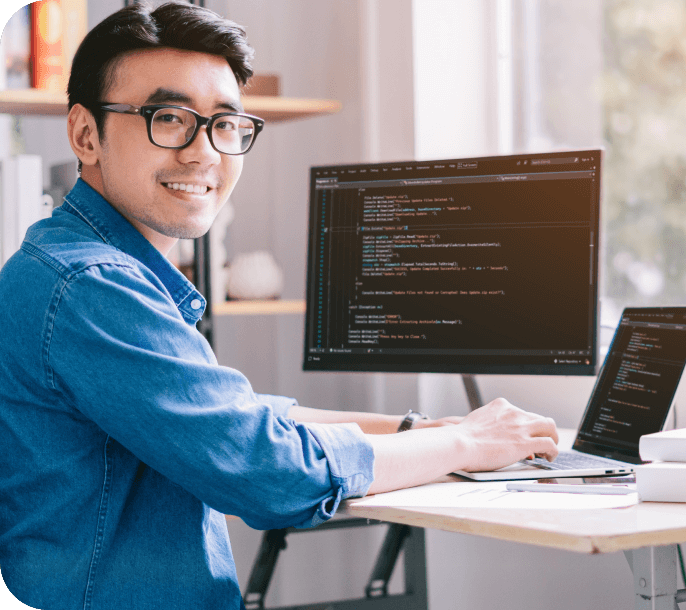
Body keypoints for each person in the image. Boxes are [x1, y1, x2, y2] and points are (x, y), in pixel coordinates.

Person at [0, 2, 558, 609]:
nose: (203, 153)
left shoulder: (76, 263)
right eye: (168, 118)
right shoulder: (93, 285)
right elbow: (266, 468)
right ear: (86, 134)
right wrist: (470, 445)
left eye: (225, 124)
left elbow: (227, 415)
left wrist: (419, 431)